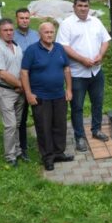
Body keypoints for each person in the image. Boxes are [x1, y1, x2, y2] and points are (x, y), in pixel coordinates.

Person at [57, 0, 111, 152]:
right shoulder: (67, 24)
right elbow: (63, 47)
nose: (83, 9)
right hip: (77, 73)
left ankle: (96, 130)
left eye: (86, 6)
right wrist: (81, 59)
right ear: (74, 7)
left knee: (98, 103)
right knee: (77, 107)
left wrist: (100, 55)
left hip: (96, 72)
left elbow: (105, 40)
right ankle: (79, 137)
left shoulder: (96, 22)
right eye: (80, 6)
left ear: (89, 7)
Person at [21, 22, 74, 171]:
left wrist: (69, 89)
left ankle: (59, 153)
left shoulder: (59, 49)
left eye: (52, 32)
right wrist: (28, 94)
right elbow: (24, 73)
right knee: (44, 127)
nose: (49, 35)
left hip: (59, 95)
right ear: (40, 34)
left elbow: (66, 69)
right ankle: (48, 157)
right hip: (41, 97)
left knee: (60, 125)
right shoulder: (32, 51)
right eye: (46, 32)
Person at [0, 18, 26, 167]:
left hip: (18, 90)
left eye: (11, 30)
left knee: (16, 123)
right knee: (10, 125)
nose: (9, 33)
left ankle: (17, 151)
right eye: (5, 30)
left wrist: (21, 86)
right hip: (5, 90)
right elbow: (2, 74)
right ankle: (10, 156)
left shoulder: (16, 46)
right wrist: (21, 86)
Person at [14, 8, 39, 162]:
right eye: (21, 18)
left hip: (36, 81)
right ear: (17, 19)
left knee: (40, 114)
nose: (24, 20)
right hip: (19, 82)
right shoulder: (12, 36)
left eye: (27, 18)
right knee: (21, 118)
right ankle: (22, 147)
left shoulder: (36, 35)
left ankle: (43, 143)